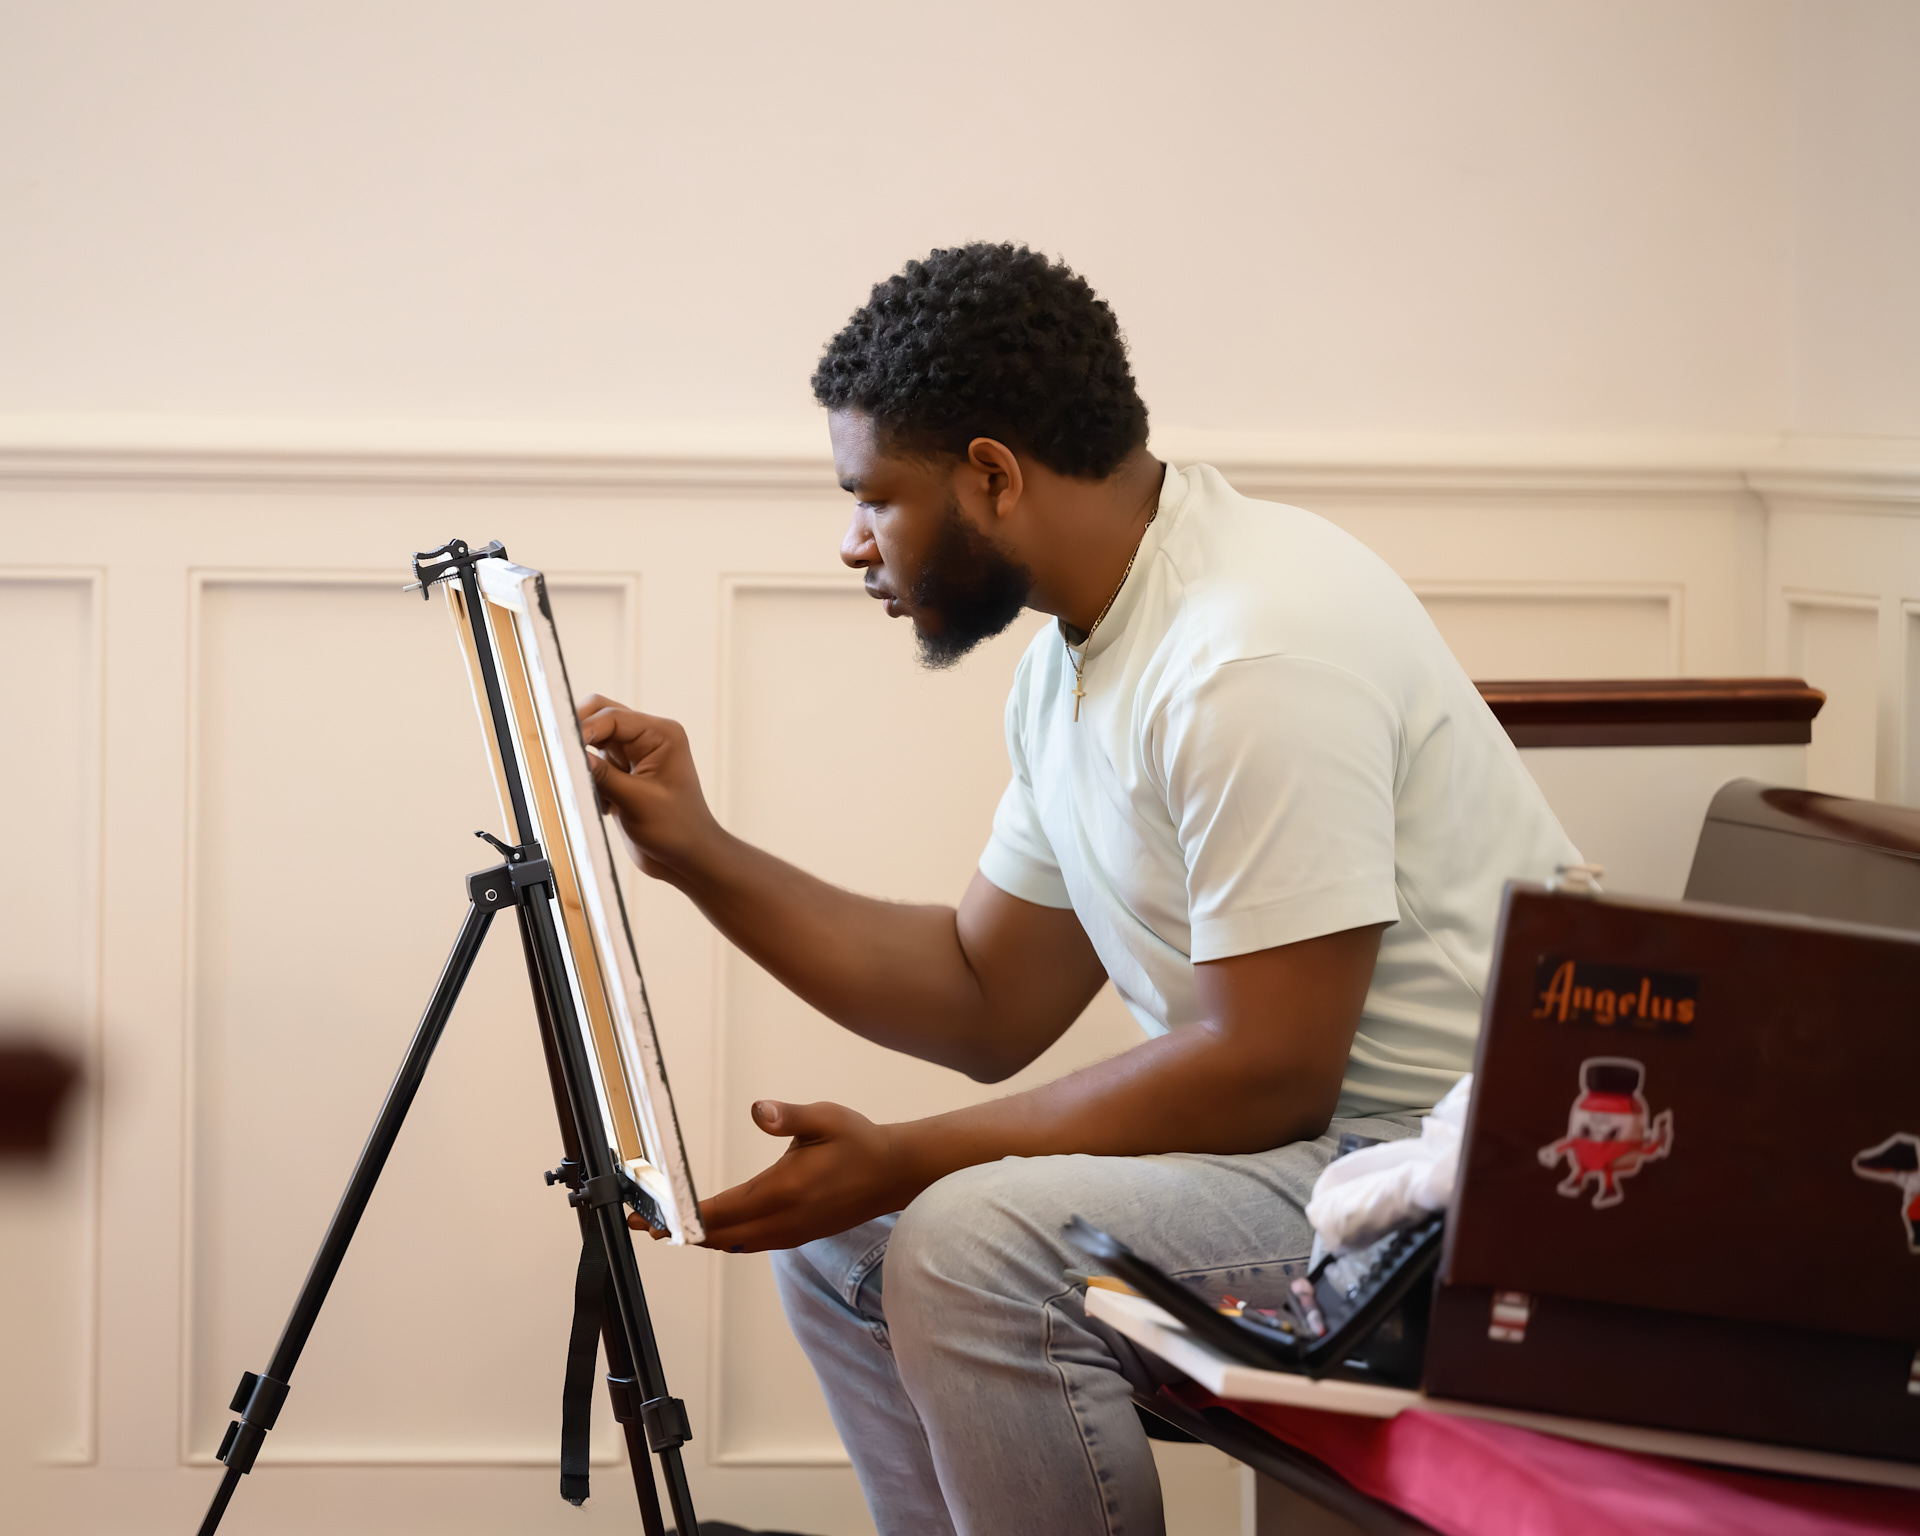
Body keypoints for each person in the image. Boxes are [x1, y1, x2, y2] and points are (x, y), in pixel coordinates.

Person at [578, 243, 1578, 1536]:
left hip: (1453, 1186)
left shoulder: (1250, 649)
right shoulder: (1079, 654)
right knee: (843, 1251)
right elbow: (984, 995)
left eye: (874, 498)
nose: (852, 543)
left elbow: (1271, 1071)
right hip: (1316, 1157)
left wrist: (905, 1158)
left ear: (992, 475)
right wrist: (697, 851)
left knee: (965, 1246)